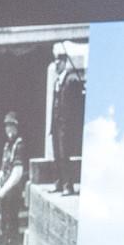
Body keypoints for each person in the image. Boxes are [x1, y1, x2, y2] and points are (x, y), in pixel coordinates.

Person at [0, 112, 28, 245]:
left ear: (17, 127)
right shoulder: (7, 145)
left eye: (11, 125)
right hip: (5, 191)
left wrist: (4, 190)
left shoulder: (19, 145)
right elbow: (4, 167)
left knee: (12, 223)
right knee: (4, 223)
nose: (8, 128)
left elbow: (17, 172)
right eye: (7, 125)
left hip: (13, 191)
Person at [48, 44, 84, 194]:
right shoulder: (57, 81)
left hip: (66, 125)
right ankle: (59, 182)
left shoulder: (70, 80)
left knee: (64, 155)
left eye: (59, 63)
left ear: (64, 63)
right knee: (57, 155)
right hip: (56, 124)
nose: (57, 66)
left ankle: (68, 185)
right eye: (55, 63)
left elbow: (76, 105)